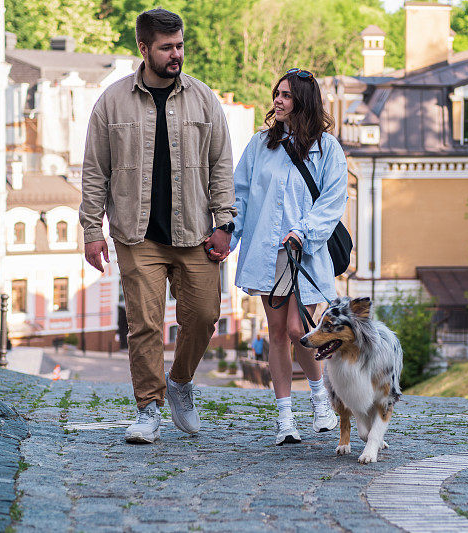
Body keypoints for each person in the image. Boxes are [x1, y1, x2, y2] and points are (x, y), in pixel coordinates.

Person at [79, 8, 236, 444]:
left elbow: (221, 164)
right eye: (166, 47)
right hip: (136, 234)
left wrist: (226, 223)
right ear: (143, 49)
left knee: (204, 316)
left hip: (195, 234)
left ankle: (180, 381)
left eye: (180, 45)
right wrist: (92, 230)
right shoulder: (112, 101)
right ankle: (148, 408)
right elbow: (95, 170)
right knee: (145, 324)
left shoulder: (204, 99)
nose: (176, 54)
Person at [229, 68, 348, 445]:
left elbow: (333, 200)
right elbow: (241, 196)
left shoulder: (327, 149)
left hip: (306, 251)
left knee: (302, 330)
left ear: (303, 102)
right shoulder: (260, 144)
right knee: (277, 333)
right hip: (268, 251)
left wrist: (304, 231)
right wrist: (226, 238)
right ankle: (284, 418)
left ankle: (319, 401)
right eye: (276, 93)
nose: (277, 100)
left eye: (286, 95)